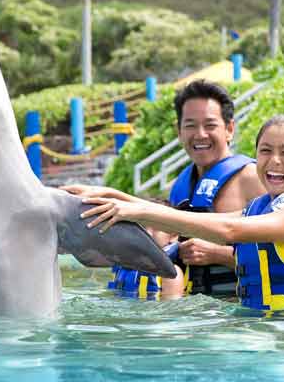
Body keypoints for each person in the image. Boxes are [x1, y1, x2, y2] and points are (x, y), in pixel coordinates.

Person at [80, 115, 284, 311]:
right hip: (267, 333)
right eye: (265, 151)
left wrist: (135, 210)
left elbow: (228, 231)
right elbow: (214, 221)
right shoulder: (259, 209)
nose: (274, 161)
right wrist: (113, 196)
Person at [63, 80, 264, 298]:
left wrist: (219, 254)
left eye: (210, 125)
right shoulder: (183, 185)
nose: (200, 134)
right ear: (178, 132)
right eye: (190, 125)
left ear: (229, 129)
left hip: (242, 315)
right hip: (198, 318)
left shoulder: (251, 178)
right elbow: (162, 220)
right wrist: (107, 194)